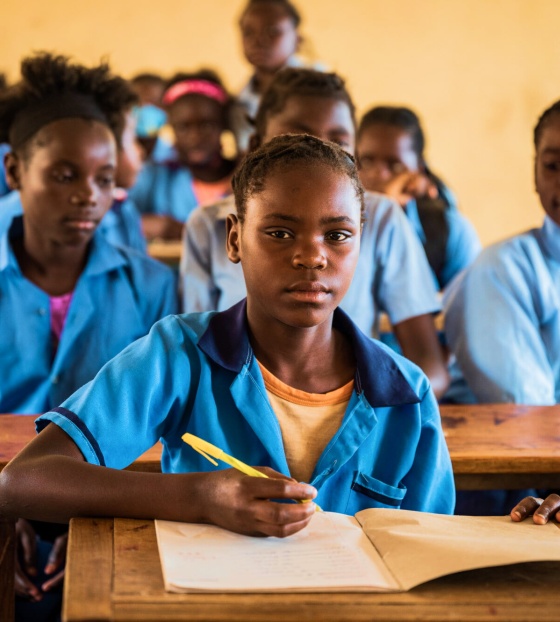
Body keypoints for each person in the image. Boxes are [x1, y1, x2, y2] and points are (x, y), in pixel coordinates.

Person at [0, 135, 455, 555]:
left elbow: (431, 551)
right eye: (279, 232)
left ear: (361, 243)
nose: (313, 256)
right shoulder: (180, 353)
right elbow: (22, 482)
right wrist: (202, 496)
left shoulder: (406, 394)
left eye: (337, 235)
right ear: (235, 238)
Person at [0, 52, 177, 620]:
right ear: (13, 172)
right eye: (64, 175)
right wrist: (13, 506)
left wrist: (79, 509)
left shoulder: (150, 284)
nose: (88, 196)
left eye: (104, 180)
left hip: (113, 498)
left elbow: (163, 421)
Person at [182, 68, 449, 398]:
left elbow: (428, 369)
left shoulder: (380, 217)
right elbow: (196, 354)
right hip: (237, 404)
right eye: (295, 141)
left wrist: (360, 414)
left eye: (338, 143)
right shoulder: (207, 226)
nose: (319, 155)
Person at [356, 106, 481, 291]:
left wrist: (386, 207)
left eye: (395, 166)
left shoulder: (450, 231)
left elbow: (465, 304)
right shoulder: (334, 224)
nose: (378, 175)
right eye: (366, 161)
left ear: (419, 170)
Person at [130, 70, 237, 241]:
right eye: (184, 127)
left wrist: (187, 232)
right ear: (171, 127)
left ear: (224, 125)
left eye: (207, 125)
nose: (195, 137)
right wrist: (156, 226)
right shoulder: (157, 177)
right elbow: (112, 220)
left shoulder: (246, 179)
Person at [232, 0, 325, 152]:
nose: (258, 40)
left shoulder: (321, 83)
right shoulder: (240, 102)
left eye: (272, 32)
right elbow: (245, 154)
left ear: (297, 39)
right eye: (248, 32)